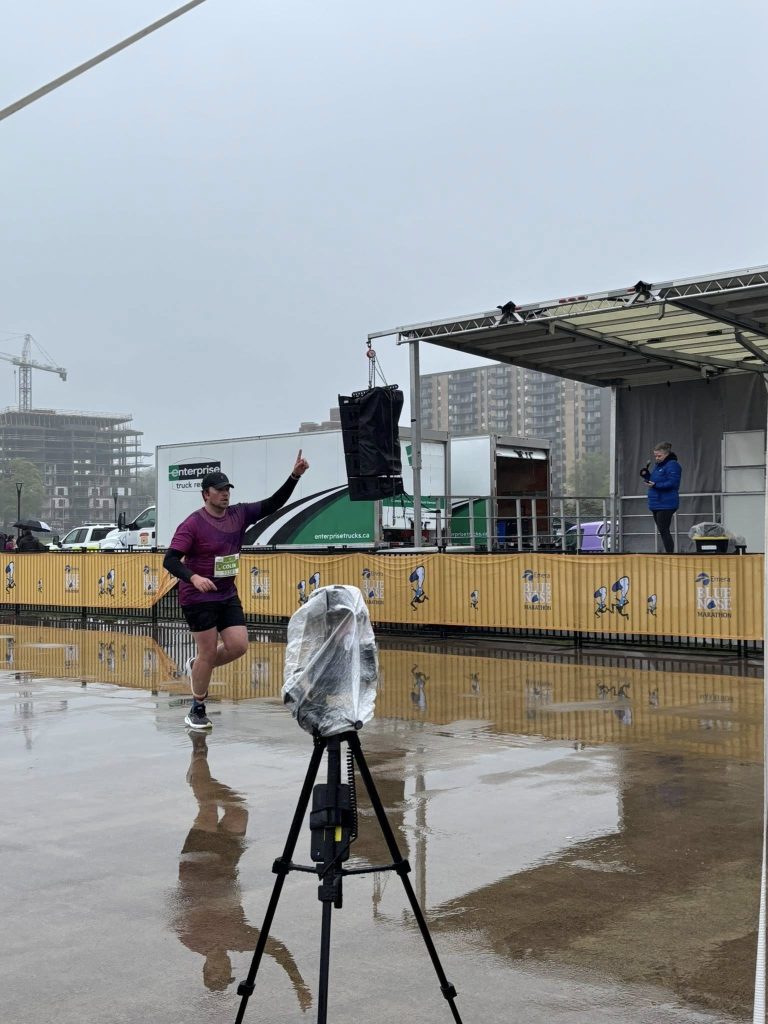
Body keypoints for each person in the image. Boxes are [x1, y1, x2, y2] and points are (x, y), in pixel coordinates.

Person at [163, 450, 310, 730]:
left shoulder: (239, 514)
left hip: (226, 593)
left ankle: (198, 666)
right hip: (198, 597)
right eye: (219, 490)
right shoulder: (192, 524)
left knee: (238, 646)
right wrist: (193, 577)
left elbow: (273, 504)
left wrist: (295, 476)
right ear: (205, 494)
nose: (225, 494)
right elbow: (169, 560)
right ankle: (197, 708)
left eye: (227, 489)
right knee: (208, 652)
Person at [640, 440, 681, 553]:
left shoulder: (673, 465)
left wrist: (655, 485)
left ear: (667, 454)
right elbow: (654, 480)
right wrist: (646, 475)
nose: (657, 458)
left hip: (667, 503)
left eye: (659, 455)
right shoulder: (658, 466)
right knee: (662, 530)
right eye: (655, 456)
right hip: (656, 502)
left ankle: (670, 554)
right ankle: (669, 553)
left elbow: (673, 483)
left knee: (664, 529)